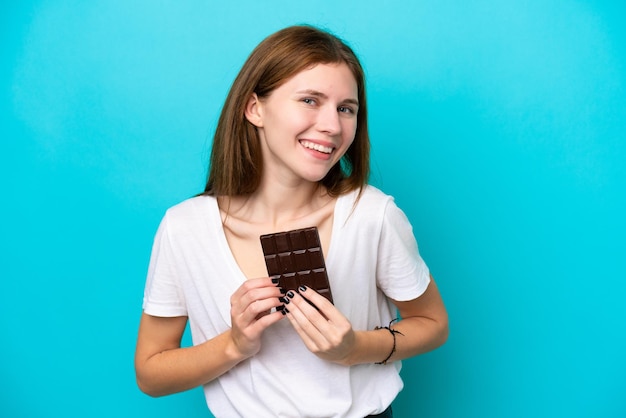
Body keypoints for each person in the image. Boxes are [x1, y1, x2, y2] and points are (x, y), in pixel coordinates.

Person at [135, 25, 448, 418]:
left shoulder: (371, 216)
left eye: (346, 108)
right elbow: (150, 373)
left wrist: (355, 349)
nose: (332, 126)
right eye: (310, 100)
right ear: (255, 108)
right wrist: (234, 344)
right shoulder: (185, 228)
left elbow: (432, 322)